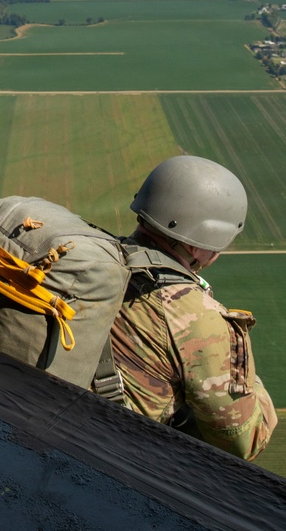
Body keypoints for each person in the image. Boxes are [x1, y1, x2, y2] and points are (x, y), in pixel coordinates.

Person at [111, 155, 277, 461]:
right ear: (197, 243)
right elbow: (245, 440)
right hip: (114, 456)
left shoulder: (101, 260)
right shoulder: (197, 320)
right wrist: (251, 381)